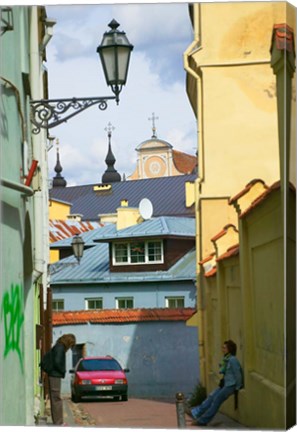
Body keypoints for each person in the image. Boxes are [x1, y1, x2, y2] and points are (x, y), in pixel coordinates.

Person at [186, 340, 243, 426]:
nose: (222, 349)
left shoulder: (232, 360)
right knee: (212, 396)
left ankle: (202, 421)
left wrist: (238, 387)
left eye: (224, 348)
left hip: (230, 385)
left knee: (216, 401)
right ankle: (196, 412)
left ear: (229, 349)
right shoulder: (226, 359)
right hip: (225, 384)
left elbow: (238, 374)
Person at [47, 333, 76, 425]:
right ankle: (59, 423)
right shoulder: (60, 348)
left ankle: (57, 422)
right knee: (56, 398)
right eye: (71, 345)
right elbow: (57, 362)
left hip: (53, 374)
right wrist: (62, 371)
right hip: (55, 375)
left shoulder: (58, 346)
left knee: (55, 398)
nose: (70, 347)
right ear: (69, 342)